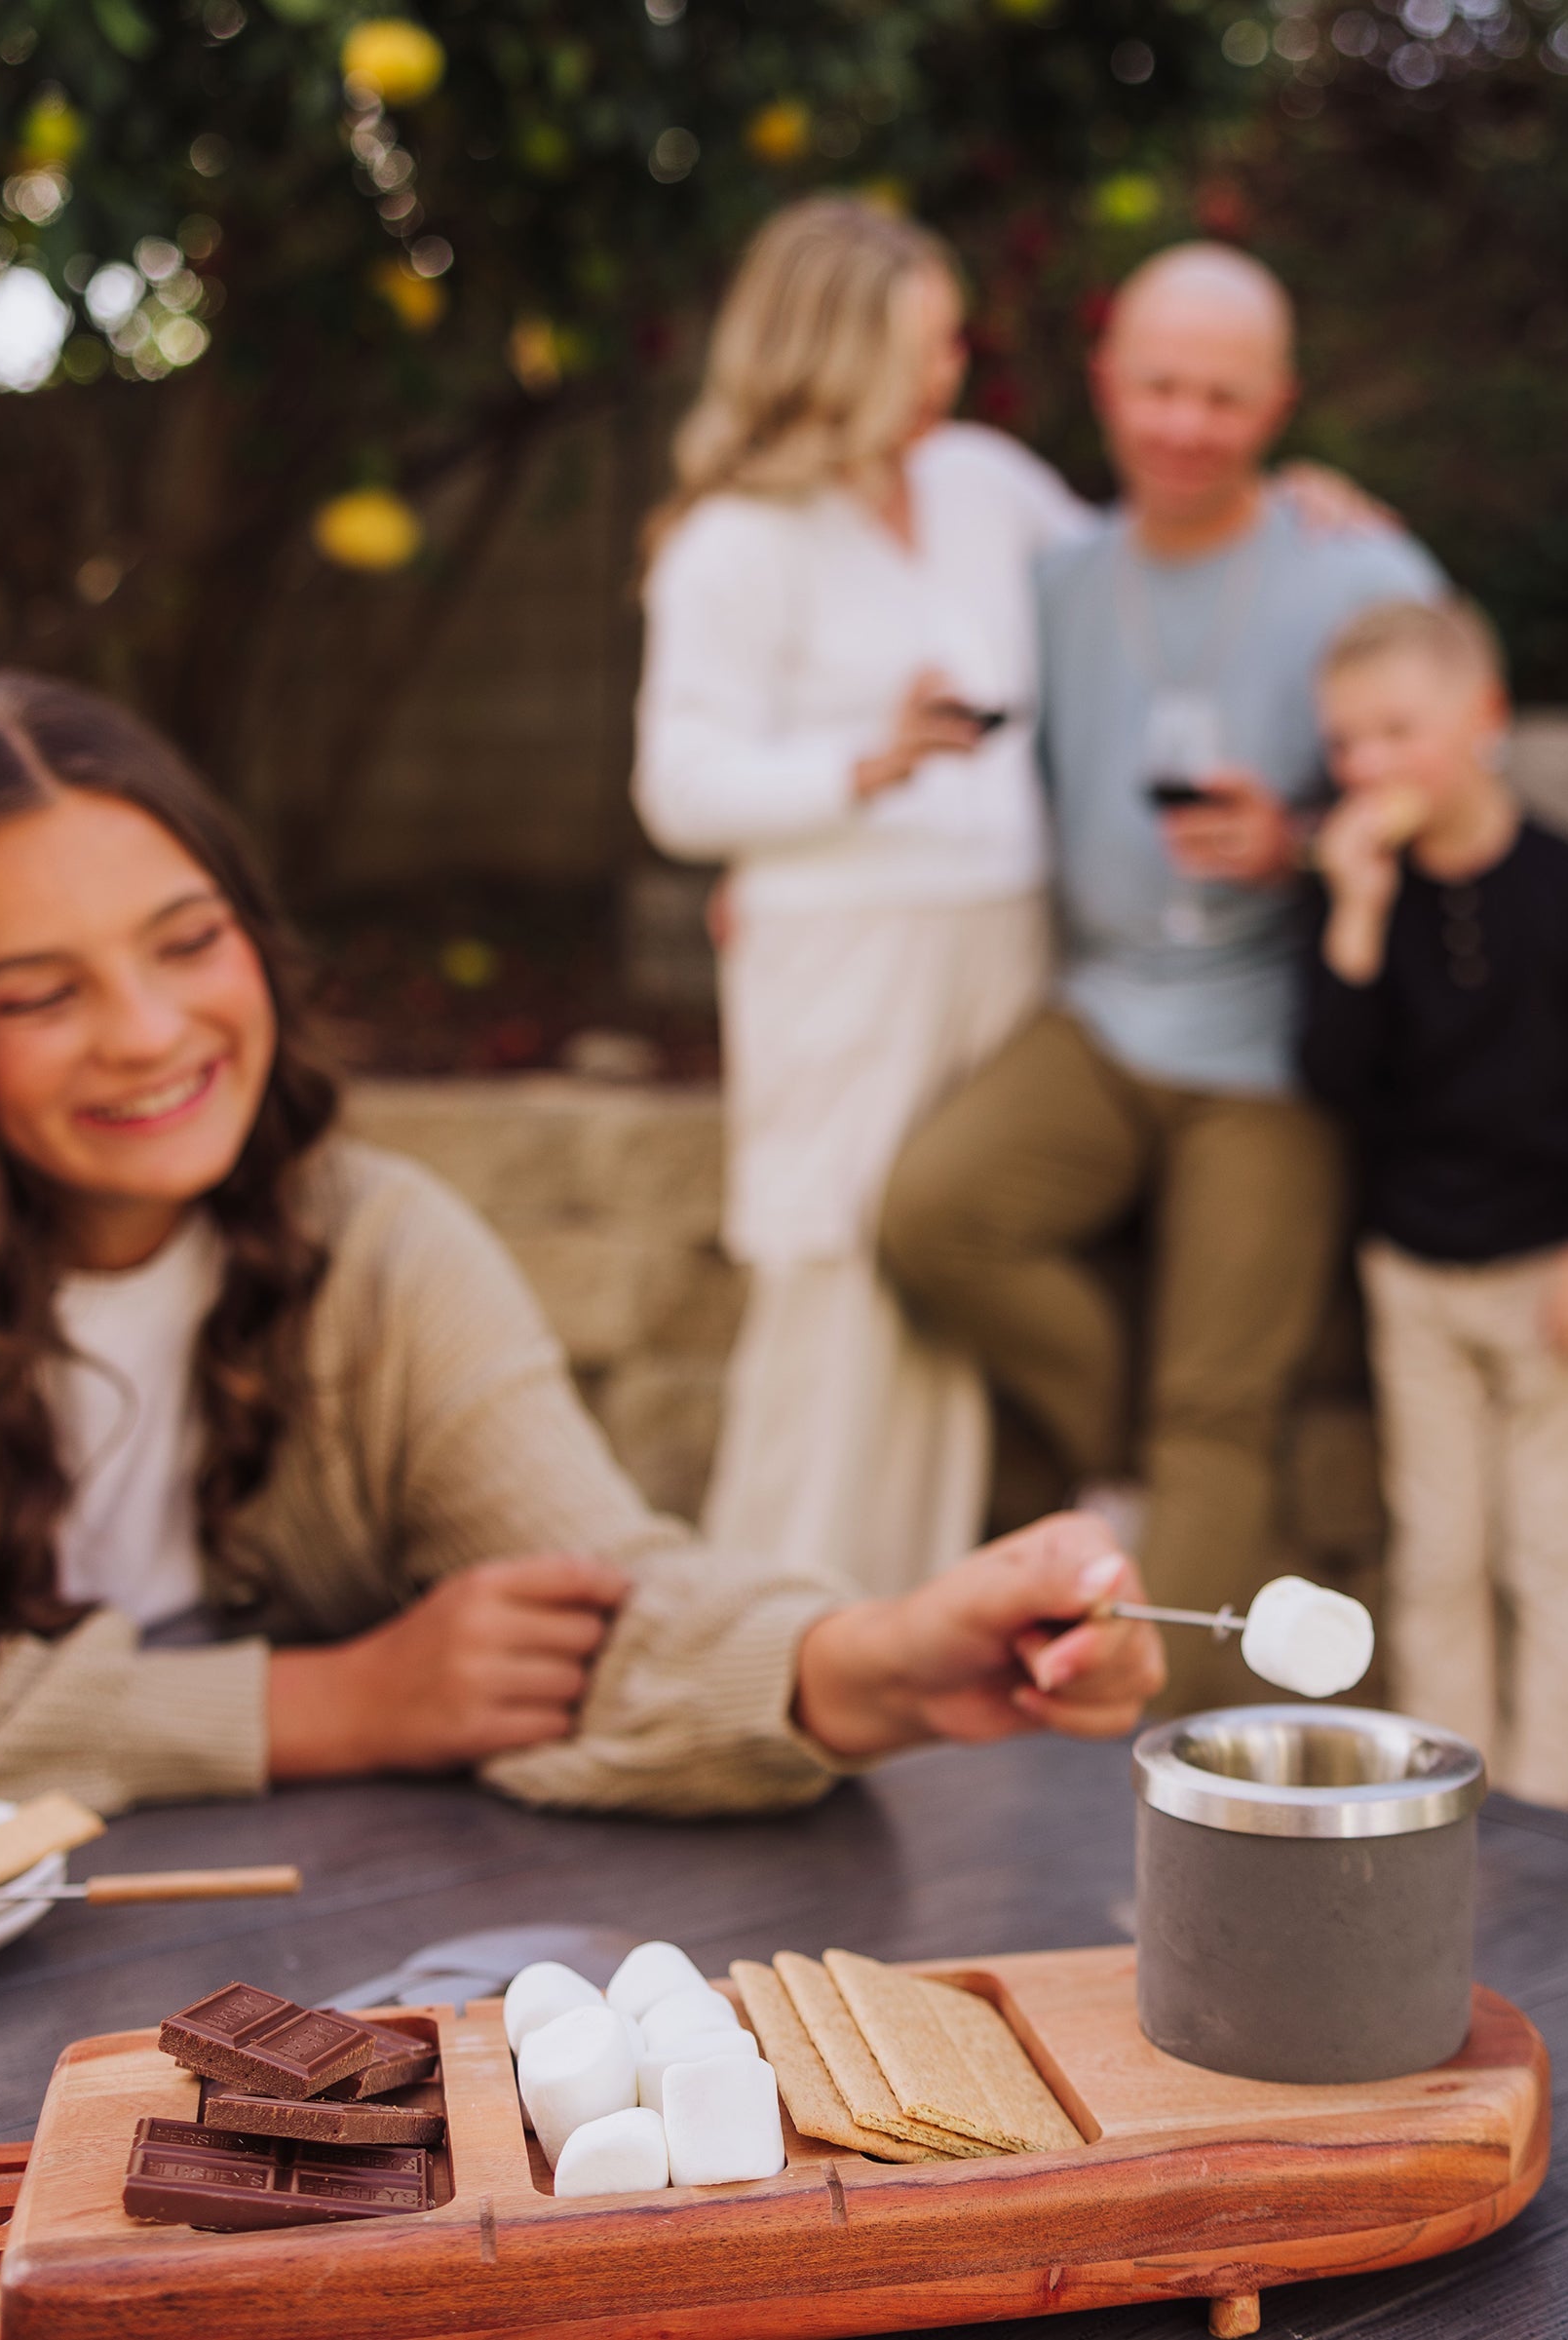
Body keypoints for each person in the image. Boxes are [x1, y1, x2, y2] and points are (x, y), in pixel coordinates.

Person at [0, 671, 1162, 1822]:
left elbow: (585, 1609)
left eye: (190, 944)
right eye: (38, 994)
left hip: (268, 1997)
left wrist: (860, 1664)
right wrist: (329, 1703)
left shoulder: (375, 1250)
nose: (151, 1032)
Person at [879, 244, 1443, 1713]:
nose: (1188, 424)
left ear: (1282, 404)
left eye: (1224, 396)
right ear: (1107, 386)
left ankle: (1152, 1758)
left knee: (1223, 1412)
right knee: (936, 1216)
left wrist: (1304, 839)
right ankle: (1126, 1452)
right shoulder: (1052, 572)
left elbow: (1457, 781)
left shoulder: (1357, 568)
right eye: (1162, 388)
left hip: (1275, 1045)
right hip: (1103, 1010)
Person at [633, 199, 1089, 1601]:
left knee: (944, 1297)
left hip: (1004, 938)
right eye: (924, 347)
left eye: (952, 343)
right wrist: (863, 762)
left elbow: (1137, 583)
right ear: (835, 353)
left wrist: (1305, 511)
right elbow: (681, 787)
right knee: (830, 1295)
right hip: (841, 955)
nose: (949, 372)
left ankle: (912, 1669)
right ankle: (767, 1651)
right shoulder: (734, 544)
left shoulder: (989, 487)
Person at [1297, 599, 1568, 1809]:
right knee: (1438, 1552)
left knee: (1556, 1551)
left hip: (1551, 1264)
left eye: (1398, 731)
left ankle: (1555, 1808)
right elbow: (1332, 1079)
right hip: (1416, 1267)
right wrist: (1351, 907)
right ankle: (1456, 1802)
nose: (1370, 766)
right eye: (1347, 743)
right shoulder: (1360, 894)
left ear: (1483, 720)